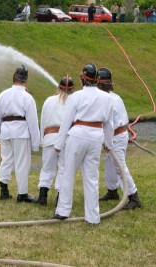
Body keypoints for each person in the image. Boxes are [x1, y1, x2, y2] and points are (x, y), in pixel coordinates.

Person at [53, 63, 114, 225]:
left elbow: (66, 122)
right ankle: (93, 217)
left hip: (77, 135)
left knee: (68, 173)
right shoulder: (107, 98)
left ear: (82, 78)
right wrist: (109, 144)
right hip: (96, 137)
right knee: (92, 177)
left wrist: (59, 144)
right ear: (96, 79)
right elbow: (109, 124)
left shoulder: (76, 97)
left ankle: (63, 211)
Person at [0, 65, 40, 203]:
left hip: (5, 131)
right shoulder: (27, 97)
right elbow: (33, 122)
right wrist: (36, 144)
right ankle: (22, 194)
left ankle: (4, 190)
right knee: (21, 163)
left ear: (14, 77)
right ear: (26, 80)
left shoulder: (3, 95)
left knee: (6, 160)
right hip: (21, 132)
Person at [97, 68, 142, 210]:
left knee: (119, 166)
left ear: (100, 85)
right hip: (117, 134)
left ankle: (134, 196)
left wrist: (108, 142)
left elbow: (109, 123)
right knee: (110, 162)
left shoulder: (107, 100)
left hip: (116, 135)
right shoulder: (115, 97)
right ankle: (112, 191)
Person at [37, 76, 75, 206]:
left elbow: (42, 121)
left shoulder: (48, 100)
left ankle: (43, 195)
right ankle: (60, 196)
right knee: (63, 168)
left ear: (58, 87)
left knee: (47, 168)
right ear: (72, 89)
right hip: (67, 138)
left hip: (49, 136)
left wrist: (42, 139)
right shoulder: (74, 101)